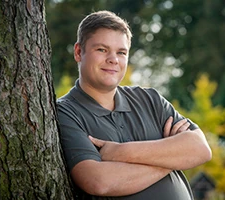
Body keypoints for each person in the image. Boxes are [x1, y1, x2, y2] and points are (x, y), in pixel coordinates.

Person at [57, 10, 212, 199]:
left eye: (121, 52)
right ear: (79, 52)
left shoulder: (149, 99)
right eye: (102, 50)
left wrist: (119, 152)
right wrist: (173, 157)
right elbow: (98, 181)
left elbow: (200, 149)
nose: (113, 59)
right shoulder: (65, 112)